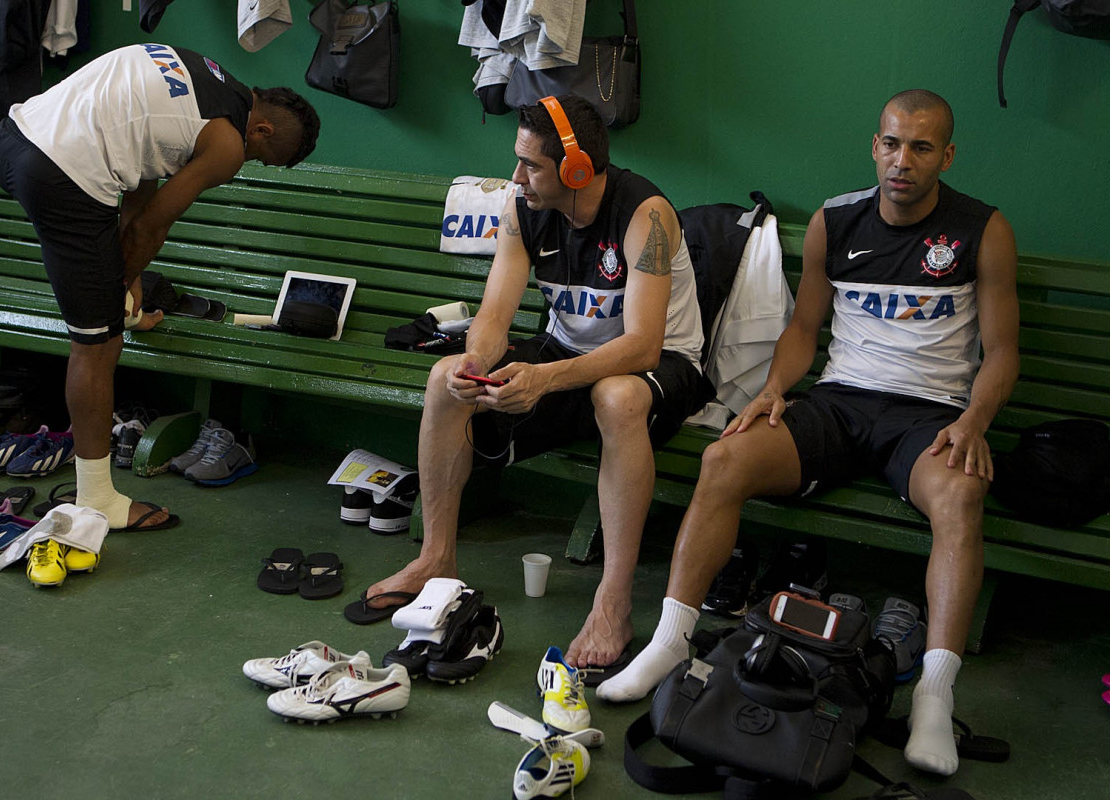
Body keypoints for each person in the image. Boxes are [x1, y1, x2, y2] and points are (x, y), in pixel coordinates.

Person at [597, 90, 1019, 779]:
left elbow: (1001, 351)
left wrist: (974, 421)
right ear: (874, 145)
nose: (901, 161)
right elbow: (802, 330)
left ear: (947, 155)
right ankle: (672, 642)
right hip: (839, 404)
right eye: (890, 143)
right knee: (724, 460)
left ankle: (935, 696)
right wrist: (771, 392)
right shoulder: (836, 219)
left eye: (920, 147)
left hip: (927, 412)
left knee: (962, 496)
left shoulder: (982, 229)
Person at [364, 94, 708, 672]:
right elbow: (495, 317)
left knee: (616, 395)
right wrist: (475, 362)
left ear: (576, 169)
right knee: (444, 376)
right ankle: (436, 559)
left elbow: (644, 344)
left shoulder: (646, 215)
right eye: (518, 161)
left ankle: (612, 600)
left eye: (532, 166)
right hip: (566, 353)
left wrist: (544, 379)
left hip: (663, 364)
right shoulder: (520, 209)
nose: (517, 177)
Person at [0, 43, 320, 532]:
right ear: (263, 129)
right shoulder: (228, 144)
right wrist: (123, 282)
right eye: (261, 157)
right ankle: (97, 498)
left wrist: (125, 288)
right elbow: (151, 228)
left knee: (106, 312)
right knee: (98, 345)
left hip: (13, 138)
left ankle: (116, 311)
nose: (247, 164)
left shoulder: (203, 70)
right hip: (64, 175)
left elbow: (138, 172)